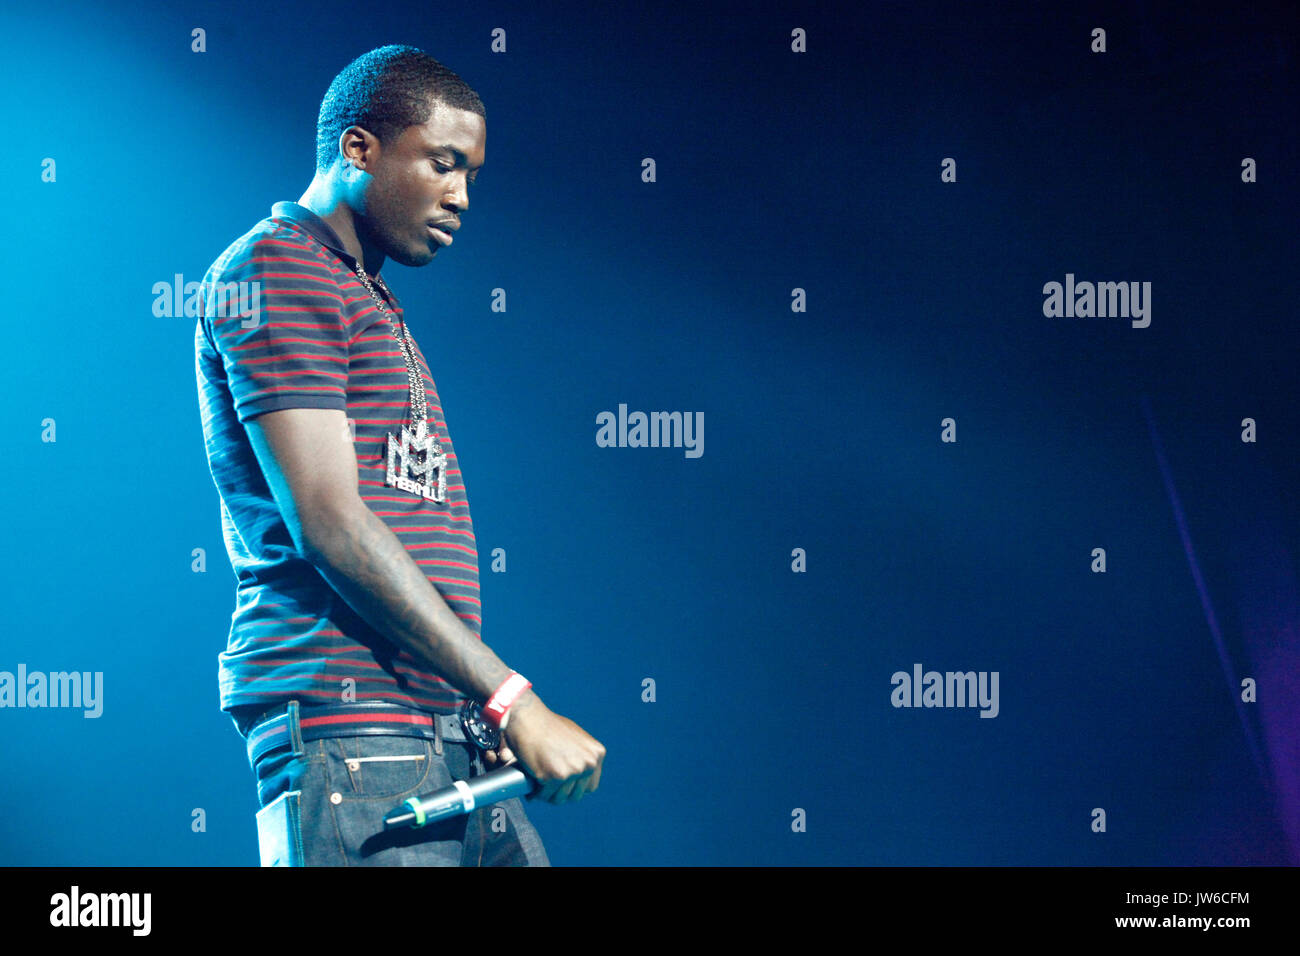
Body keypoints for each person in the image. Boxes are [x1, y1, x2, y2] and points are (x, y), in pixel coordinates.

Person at [193, 44, 605, 866]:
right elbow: (331, 525)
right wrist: (511, 701)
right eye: (444, 163)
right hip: (356, 737)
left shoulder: (360, 293)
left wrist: (467, 706)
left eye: (472, 176)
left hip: (432, 727)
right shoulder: (281, 268)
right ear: (359, 148)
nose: (460, 196)